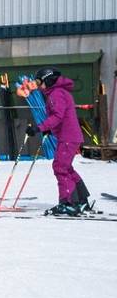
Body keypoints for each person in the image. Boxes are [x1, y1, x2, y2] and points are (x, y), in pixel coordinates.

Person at [28, 67, 91, 216]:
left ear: (48, 80)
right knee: (66, 168)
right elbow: (61, 117)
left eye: (39, 82)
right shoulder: (58, 92)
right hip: (68, 136)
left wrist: (39, 128)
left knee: (60, 167)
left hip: (68, 137)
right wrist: (49, 129)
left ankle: (68, 203)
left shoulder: (56, 94)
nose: (38, 85)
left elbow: (57, 116)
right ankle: (81, 200)